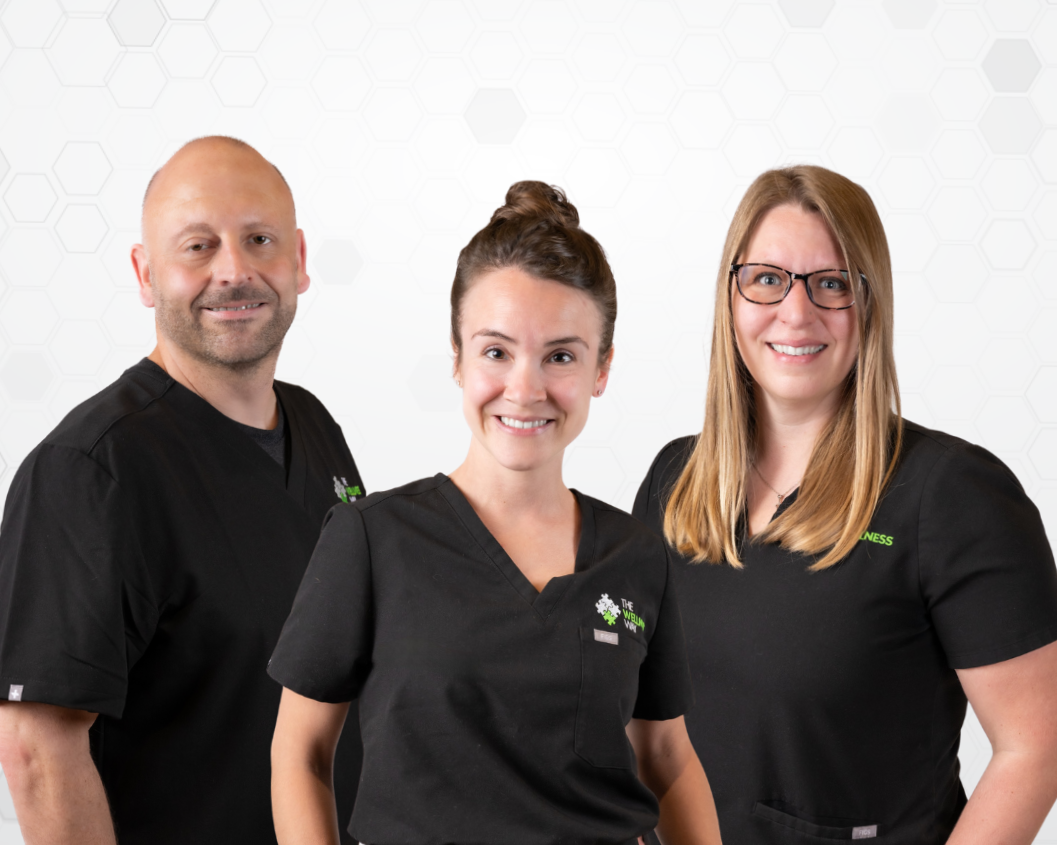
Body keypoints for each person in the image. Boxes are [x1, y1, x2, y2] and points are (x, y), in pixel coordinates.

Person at [268, 181, 723, 845]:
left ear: (601, 368)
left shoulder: (635, 555)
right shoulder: (371, 539)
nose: (525, 388)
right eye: (496, 351)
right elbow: (300, 753)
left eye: (561, 355)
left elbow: (666, 758)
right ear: (455, 356)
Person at [633, 165, 1057, 844]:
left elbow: (1034, 750)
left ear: (871, 303)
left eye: (831, 284)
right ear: (730, 296)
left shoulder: (952, 497)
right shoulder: (672, 481)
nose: (795, 313)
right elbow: (639, 722)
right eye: (767, 279)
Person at [0, 136, 365, 845]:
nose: (234, 270)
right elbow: (35, 745)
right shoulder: (92, 470)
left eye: (258, 239)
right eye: (198, 246)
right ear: (144, 274)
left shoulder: (315, 428)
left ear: (297, 260)